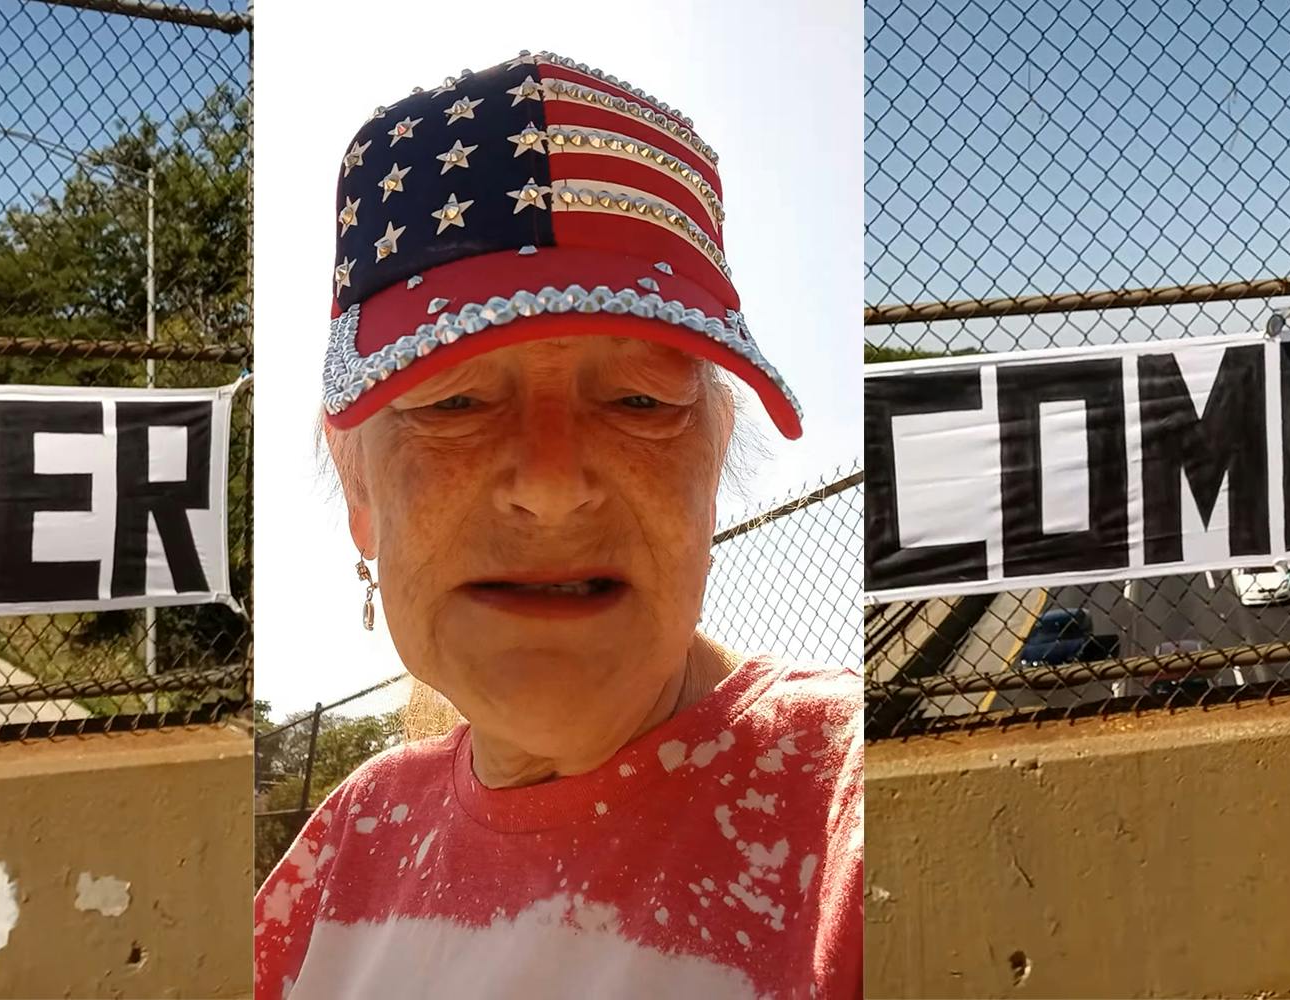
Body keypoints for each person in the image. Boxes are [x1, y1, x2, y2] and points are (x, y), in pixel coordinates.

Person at [256, 51, 862, 999]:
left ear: (713, 456)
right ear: (357, 485)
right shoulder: (344, 848)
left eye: (637, 399)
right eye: (452, 403)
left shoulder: (851, 817)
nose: (549, 484)